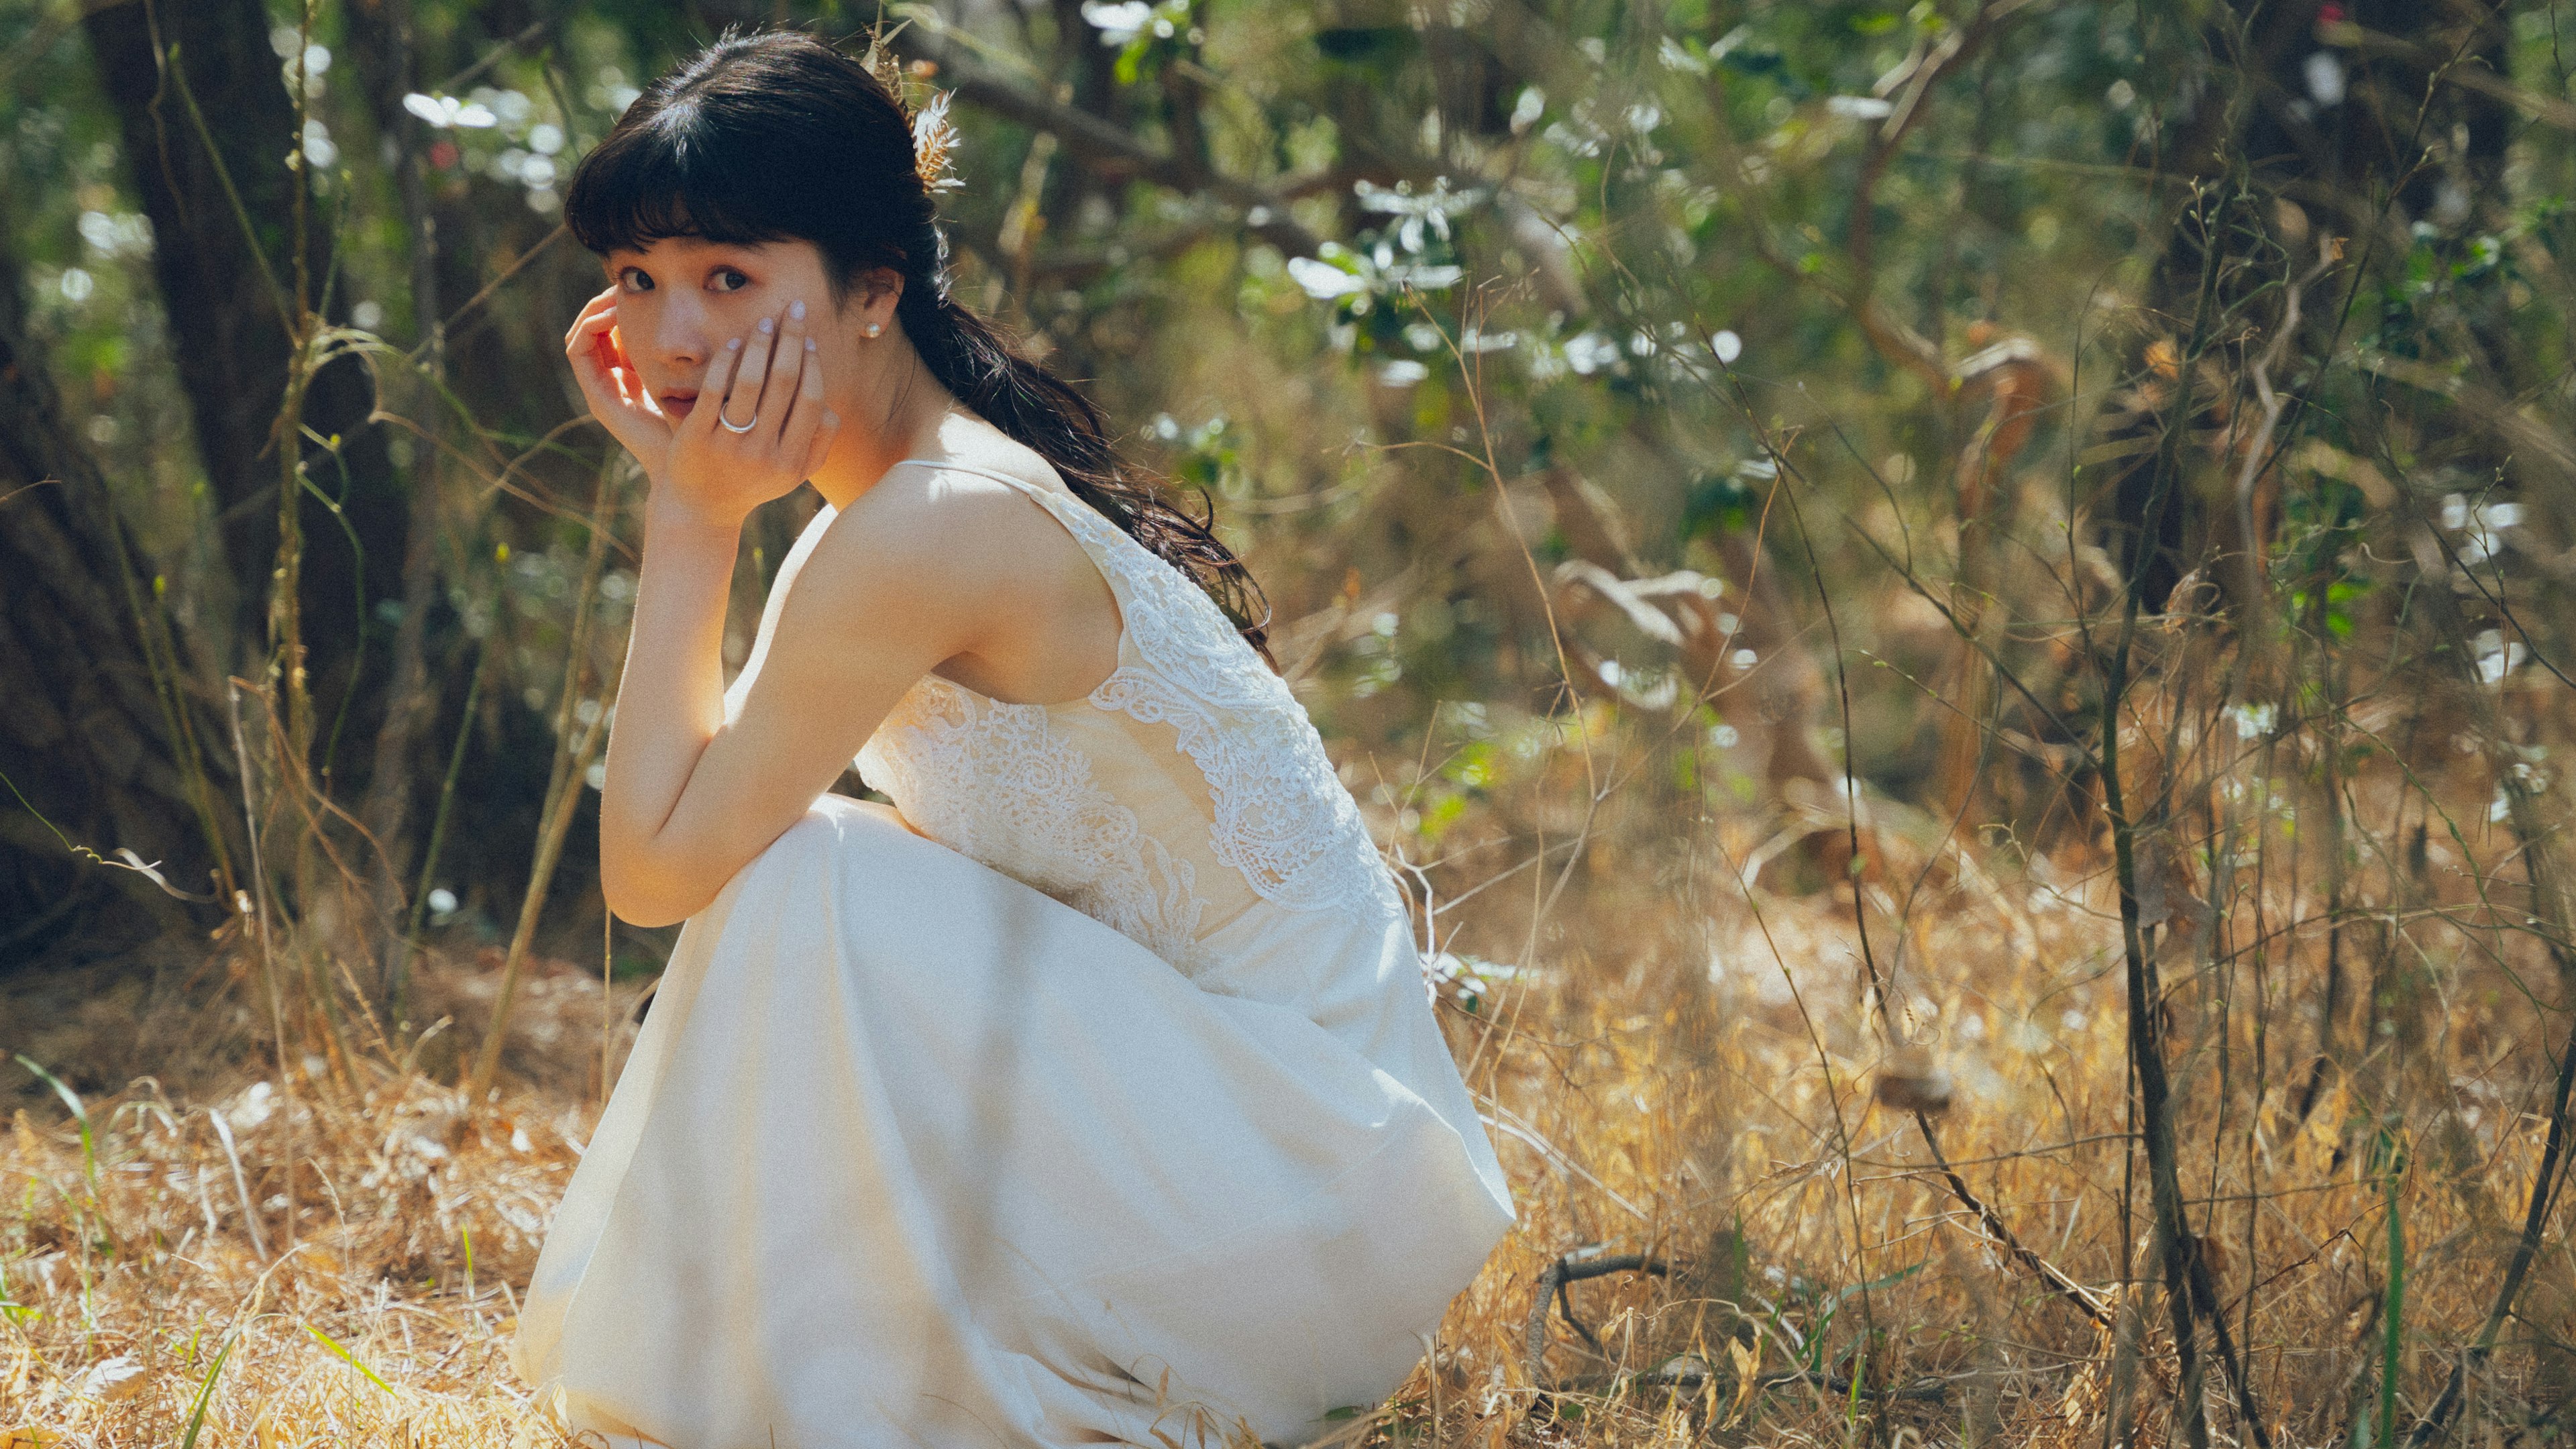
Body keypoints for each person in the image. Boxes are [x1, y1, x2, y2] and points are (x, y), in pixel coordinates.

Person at [507, 27, 1515, 1448]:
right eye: (635, 280)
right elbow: (673, 836)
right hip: (1263, 1164)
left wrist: (690, 519)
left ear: (874, 290)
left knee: (813, 872)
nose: (671, 340)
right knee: (808, 861)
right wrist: (699, 512)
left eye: (728, 278)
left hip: (1305, 1196)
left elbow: (657, 875)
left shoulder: (937, 525)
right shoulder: (889, 518)